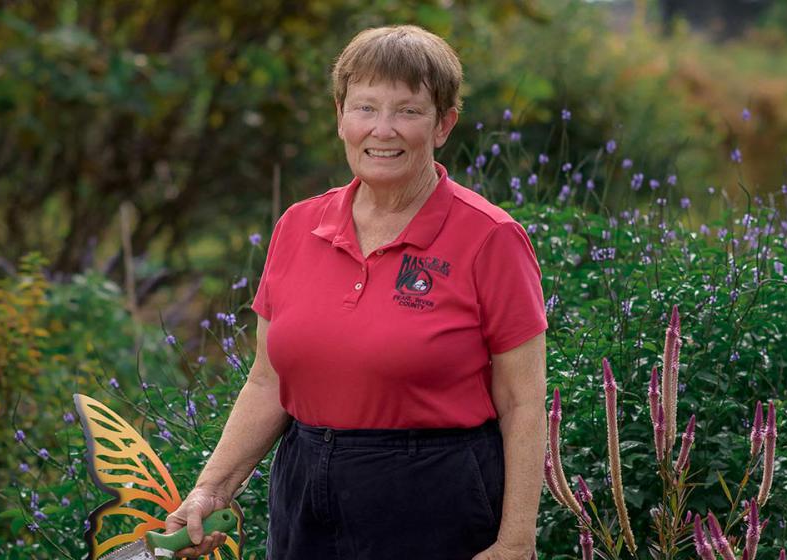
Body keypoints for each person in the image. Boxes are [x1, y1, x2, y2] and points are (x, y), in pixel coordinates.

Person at [165, 25, 548, 560]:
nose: (383, 130)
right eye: (365, 107)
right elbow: (268, 379)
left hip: (432, 495)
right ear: (341, 118)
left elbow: (523, 401)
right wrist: (212, 488)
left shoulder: (491, 238)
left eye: (408, 111)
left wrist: (515, 541)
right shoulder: (298, 227)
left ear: (444, 125)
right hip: (302, 493)